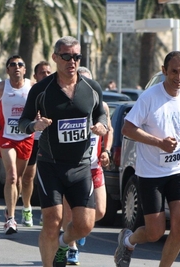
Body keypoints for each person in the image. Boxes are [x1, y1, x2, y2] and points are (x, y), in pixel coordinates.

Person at [18, 36, 108, 267]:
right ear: (55, 57)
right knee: (52, 220)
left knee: (86, 224)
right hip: (51, 164)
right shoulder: (41, 89)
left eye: (76, 56)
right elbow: (23, 121)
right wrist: (33, 126)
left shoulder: (91, 87)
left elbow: (101, 113)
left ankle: (63, 241)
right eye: (66, 56)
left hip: (80, 166)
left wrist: (101, 125)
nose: (72, 61)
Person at [114, 51, 180, 267]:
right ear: (164, 71)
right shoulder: (149, 97)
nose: (179, 77)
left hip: (179, 169)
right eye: (174, 72)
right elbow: (128, 129)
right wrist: (158, 142)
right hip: (151, 173)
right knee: (154, 232)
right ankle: (127, 240)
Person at [62, 66, 113, 265]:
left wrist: (106, 150)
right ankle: (71, 247)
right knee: (70, 211)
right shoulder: (67, 105)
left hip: (93, 165)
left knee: (100, 211)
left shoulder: (102, 106)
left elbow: (109, 130)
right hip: (71, 166)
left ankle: (79, 229)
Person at [0, 55, 35, 234]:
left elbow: (41, 106)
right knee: (11, 176)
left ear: (25, 70)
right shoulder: (0, 87)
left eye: (20, 64)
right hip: (6, 137)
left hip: (26, 137)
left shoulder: (32, 87)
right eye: (13, 65)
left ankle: (13, 207)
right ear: (7, 69)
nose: (17, 67)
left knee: (19, 179)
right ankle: (11, 219)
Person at [25, 60, 52, 227]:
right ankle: (27, 207)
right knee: (28, 177)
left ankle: (45, 211)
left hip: (48, 141)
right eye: (43, 72)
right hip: (32, 139)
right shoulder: (32, 92)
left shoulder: (56, 91)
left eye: (49, 72)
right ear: (35, 76)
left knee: (47, 178)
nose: (46, 75)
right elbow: (24, 117)